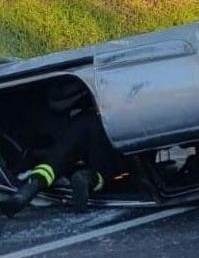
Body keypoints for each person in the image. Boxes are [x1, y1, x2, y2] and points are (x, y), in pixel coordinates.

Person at [0, 82, 115, 218]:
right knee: (110, 168)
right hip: (108, 131)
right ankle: (89, 177)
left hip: (78, 132)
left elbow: (56, 102)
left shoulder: (78, 117)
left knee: (57, 160)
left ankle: (27, 192)